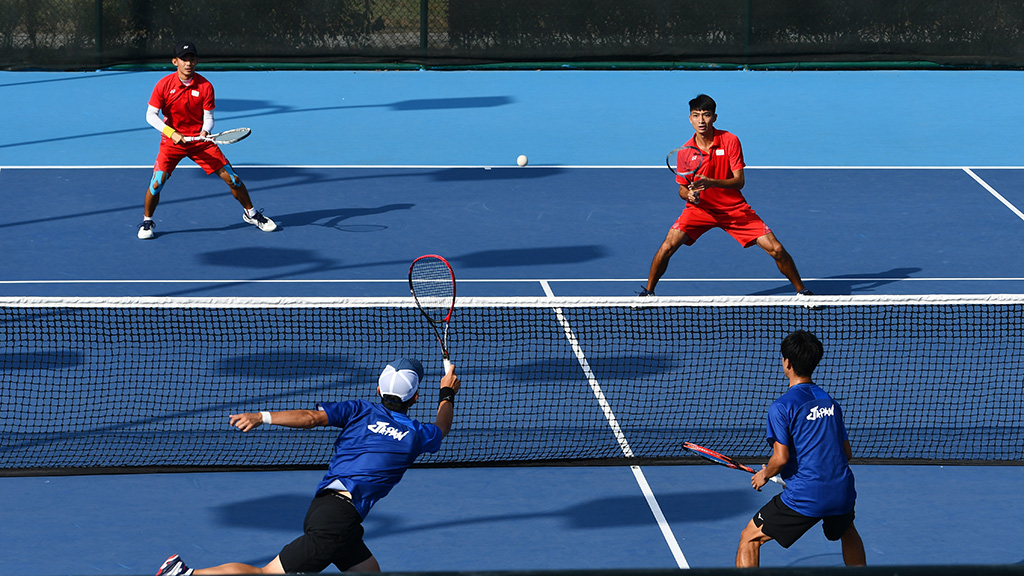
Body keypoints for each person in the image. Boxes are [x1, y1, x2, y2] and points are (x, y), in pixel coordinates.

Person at [156, 358, 461, 575]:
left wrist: (262, 416)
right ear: (416, 397)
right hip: (337, 521)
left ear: (379, 391)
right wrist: (447, 392)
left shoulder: (359, 410)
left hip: (327, 508)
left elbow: (311, 418)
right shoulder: (418, 434)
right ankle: (184, 574)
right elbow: (442, 426)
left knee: (368, 570)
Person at [640, 94, 810, 297]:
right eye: (696, 115)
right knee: (667, 246)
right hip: (700, 211)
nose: (701, 120)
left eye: (706, 115)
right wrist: (689, 196)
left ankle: (802, 292)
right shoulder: (685, 152)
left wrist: (711, 182)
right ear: (690, 118)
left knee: (777, 249)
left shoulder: (730, 140)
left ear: (715, 117)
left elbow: (739, 181)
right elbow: (682, 189)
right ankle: (648, 293)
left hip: (734, 209)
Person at [735, 330, 866, 568]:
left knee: (749, 538)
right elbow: (846, 454)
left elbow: (781, 458)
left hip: (806, 497)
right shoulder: (830, 403)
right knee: (847, 530)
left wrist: (765, 474)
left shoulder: (781, 407)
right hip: (842, 492)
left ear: (787, 363)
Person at [139, 40, 276, 239]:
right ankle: (146, 221)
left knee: (233, 179)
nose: (188, 63)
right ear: (174, 62)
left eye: (191, 59)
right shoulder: (163, 85)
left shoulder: (205, 86)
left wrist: (205, 131)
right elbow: (150, 115)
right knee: (157, 183)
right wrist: (171, 133)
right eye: (183, 59)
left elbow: (209, 117)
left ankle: (251, 214)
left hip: (200, 143)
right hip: (172, 143)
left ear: (197, 61)